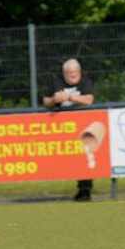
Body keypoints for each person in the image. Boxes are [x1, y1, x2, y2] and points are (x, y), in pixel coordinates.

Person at [43, 58, 95, 201]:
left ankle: (85, 190)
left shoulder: (85, 82)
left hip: (82, 126)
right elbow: (46, 101)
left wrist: (69, 97)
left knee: (83, 157)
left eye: (75, 72)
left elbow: (89, 100)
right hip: (62, 128)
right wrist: (55, 99)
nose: (73, 75)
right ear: (64, 73)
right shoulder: (57, 84)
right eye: (70, 73)